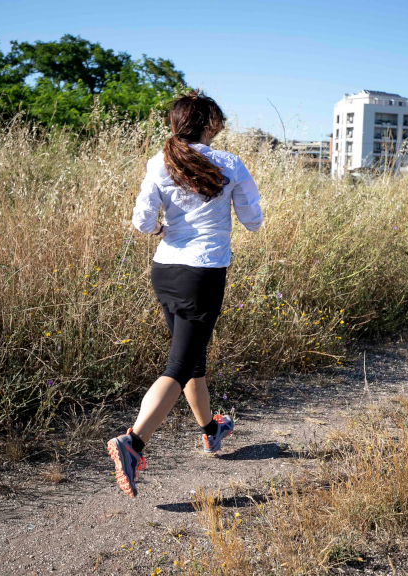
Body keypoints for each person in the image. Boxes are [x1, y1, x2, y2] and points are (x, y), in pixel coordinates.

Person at [106, 90, 263, 498]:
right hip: (203, 273)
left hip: (166, 270)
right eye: (219, 121)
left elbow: (142, 221)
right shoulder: (228, 163)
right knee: (178, 366)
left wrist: (161, 228)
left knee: (193, 358)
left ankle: (211, 430)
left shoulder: (160, 162)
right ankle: (132, 443)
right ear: (209, 124)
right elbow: (253, 221)